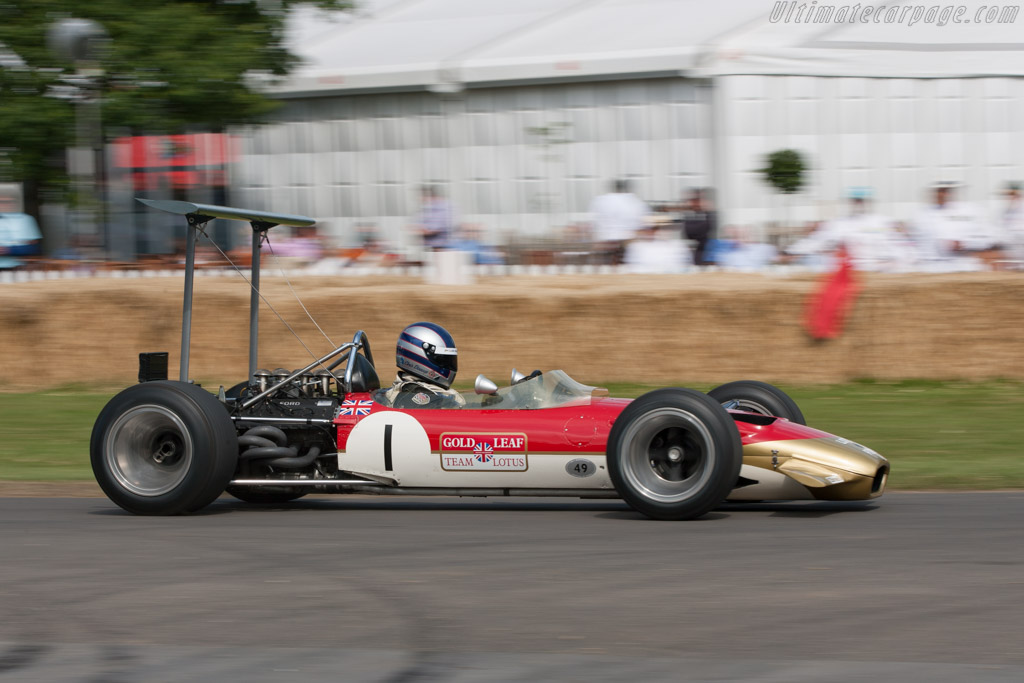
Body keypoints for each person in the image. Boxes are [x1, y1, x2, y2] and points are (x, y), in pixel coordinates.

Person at [910, 182, 998, 272]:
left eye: (945, 191)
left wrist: (964, 244)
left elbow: (988, 238)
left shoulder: (970, 211)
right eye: (938, 191)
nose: (941, 194)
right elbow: (913, 243)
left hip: (962, 265)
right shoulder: (921, 214)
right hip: (930, 268)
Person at [379, 322, 466, 409]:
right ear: (417, 353)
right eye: (442, 359)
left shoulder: (437, 393)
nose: (449, 364)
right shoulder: (414, 396)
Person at [588, 179, 649, 264]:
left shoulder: (600, 200)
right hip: (626, 242)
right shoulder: (636, 202)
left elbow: (594, 222)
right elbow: (642, 224)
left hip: (605, 240)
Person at [681, 188, 717, 266]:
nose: (696, 204)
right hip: (696, 253)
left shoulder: (711, 214)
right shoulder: (689, 215)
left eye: (698, 201)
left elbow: (709, 230)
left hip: (708, 252)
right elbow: (688, 233)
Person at [414, 185, 456, 251]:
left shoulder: (444, 207)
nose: (420, 199)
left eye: (422, 196)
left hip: (442, 246)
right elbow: (419, 224)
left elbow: (435, 229)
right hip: (429, 246)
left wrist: (420, 230)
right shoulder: (426, 208)